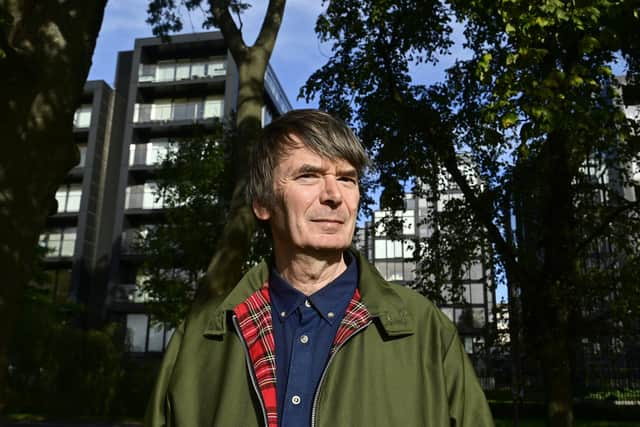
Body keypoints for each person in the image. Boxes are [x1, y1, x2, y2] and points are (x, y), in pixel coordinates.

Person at [145, 109, 495, 427]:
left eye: (347, 179)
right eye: (309, 175)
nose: (334, 194)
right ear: (263, 204)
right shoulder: (201, 337)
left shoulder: (426, 331)